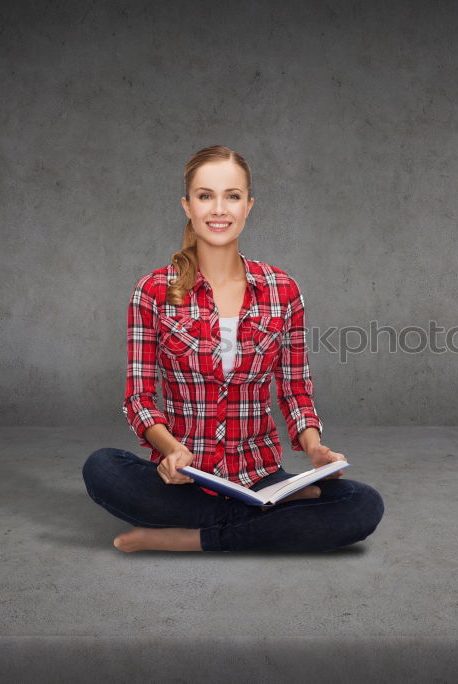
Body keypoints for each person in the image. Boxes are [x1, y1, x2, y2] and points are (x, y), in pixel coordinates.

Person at [82, 145, 385, 552]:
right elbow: (138, 397)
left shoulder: (282, 289)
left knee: (362, 505)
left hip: (260, 475)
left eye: (233, 196)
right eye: (205, 196)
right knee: (102, 467)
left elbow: (295, 390)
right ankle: (269, 521)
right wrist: (171, 452)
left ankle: (192, 538)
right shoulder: (153, 290)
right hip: (186, 479)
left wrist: (315, 450)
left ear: (249, 206)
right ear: (187, 206)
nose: (219, 209)